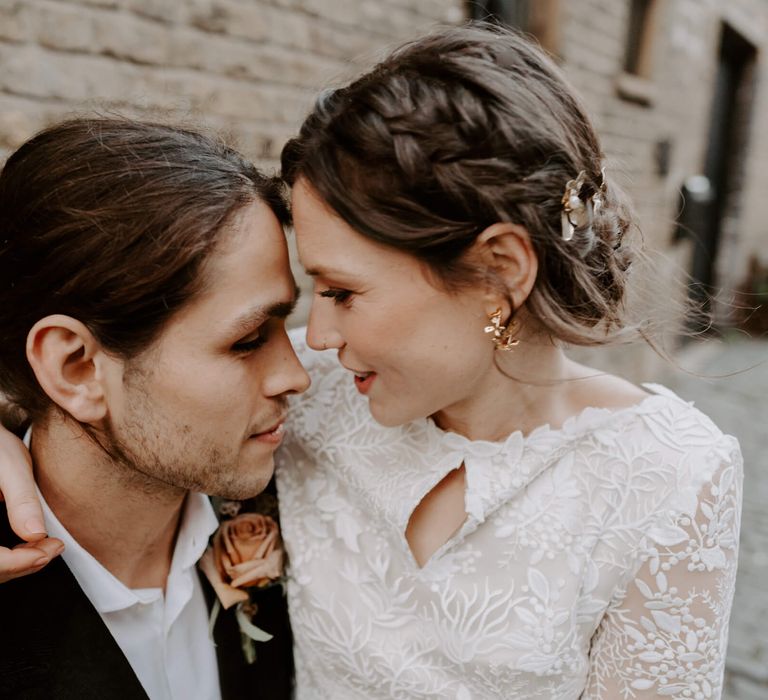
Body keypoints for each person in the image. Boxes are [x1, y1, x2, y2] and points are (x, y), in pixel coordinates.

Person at [0, 24, 742, 700]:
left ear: (498, 272)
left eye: (340, 292)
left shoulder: (667, 473)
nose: (307, 347)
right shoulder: (313, 413)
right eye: (269, 323)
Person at [0, 118, 309, 699]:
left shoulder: (300, 502)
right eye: (246, 341)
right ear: (77, 367)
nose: (296, 377)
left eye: (286, 326)